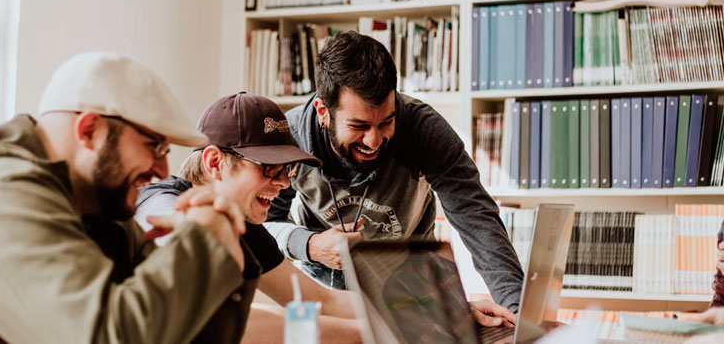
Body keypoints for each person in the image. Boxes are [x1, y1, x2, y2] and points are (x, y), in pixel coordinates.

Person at [0, 52, 253, 343]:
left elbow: (185, 334)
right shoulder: (0, 196)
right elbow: (110, 337)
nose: (163, 171)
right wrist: (203, 239)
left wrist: (225, 243)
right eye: (155, 146)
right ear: (89, 130)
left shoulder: (98, 206)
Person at [136, 92, 516, 344]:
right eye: (270, 169)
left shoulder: (245, 225)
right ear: (215, 163)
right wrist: (384, 335)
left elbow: (319, 300)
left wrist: (440, 311)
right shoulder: (160, 204)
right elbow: (232, 321)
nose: (284, 183)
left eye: (287, 169)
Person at [264, 31, 525, 312]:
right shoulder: (290, 139)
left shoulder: (424, 130)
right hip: (322, 296)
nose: (373, 141)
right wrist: (311, 245)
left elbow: (477, 220)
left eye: (386, 122)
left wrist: (516, 311)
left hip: (411, 291)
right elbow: (263, 225)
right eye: (359, 126)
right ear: (323, 112)